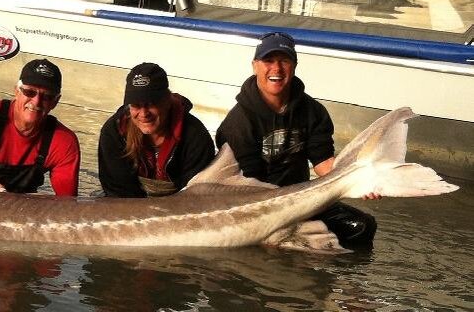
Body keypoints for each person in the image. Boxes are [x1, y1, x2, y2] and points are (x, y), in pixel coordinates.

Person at [216, 32, 378, 247]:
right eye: (268, 60)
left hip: (303, 199)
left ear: (294, 65)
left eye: (284, 60)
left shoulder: (312, 111)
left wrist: (359, 181)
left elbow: (323, 163)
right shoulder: (237, 123)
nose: (277, 68)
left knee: (363, 226)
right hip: (256, 209)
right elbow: (246, 186)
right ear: (255, 65)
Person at [0, 58, 80, 196]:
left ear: (55, 101)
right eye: (29, 92)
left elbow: (67, 201)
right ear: (17, 91)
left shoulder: (64, 141)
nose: (36, 101)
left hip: (24, 208)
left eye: (47, 96)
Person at [98, 63, 215, 197]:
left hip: (180, 205)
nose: (143, 114)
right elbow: (117, 191)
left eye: (151, 104)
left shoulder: (195, 135)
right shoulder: (114, 131)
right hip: (130, 204)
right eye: (136, 105)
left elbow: (196, 194)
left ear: (167, 101)